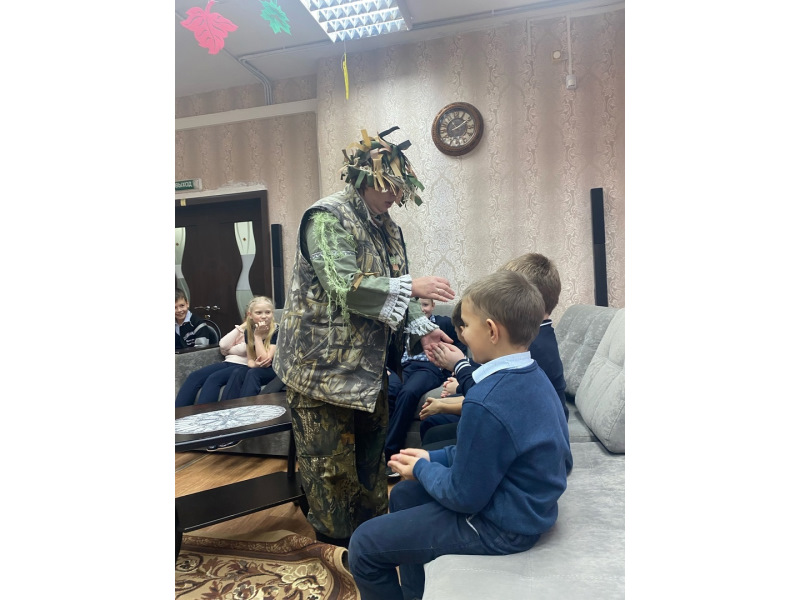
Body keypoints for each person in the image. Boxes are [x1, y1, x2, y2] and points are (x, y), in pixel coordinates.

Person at [272, 126, 456, 549]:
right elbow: (344, 285)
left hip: (369, 373)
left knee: (371, 462)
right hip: (320, 371)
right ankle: (335, 549)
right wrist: (413, 286)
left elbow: (396, 289)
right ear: (362, 177)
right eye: (387, 184)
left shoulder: (388, 228)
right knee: (329, 468)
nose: (395, 194)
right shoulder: (326, 217)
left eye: (399, 187)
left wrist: (423, 331)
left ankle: (371, 540)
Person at [348, 270, 572, 600]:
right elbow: (485, 452)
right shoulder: (533, 375)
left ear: (492, 330)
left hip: (504, 526)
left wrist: (423, 469)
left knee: (363, 545)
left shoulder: (486, 399)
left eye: (465, 325)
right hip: (524, 508)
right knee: (403, 495)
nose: (461, 333)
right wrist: (432, 457)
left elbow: (464, 496)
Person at [421, 252, 569, 447]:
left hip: (523, 431)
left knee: (434, 434)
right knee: (433, 430)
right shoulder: (529, 339)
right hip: (515, 420)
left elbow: (491, 396)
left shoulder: (531, 346)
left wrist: (459, 366)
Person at [384, 298, 464, 480]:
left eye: (426, 305)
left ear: (433, 306)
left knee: (408, 393)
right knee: (389, 390)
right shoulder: (402, 326)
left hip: (428, 369)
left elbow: (460, 345)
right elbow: (388, 350)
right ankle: (376, 451)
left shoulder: (444, 323)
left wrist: (453, 368)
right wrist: (385, 369)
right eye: (417, 305)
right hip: (402, 368)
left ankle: (390, 453)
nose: (422, 309)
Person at [175, 296, 265, 408]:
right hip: (228, 362)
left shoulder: (261, 331)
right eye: (257, 313)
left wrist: (231, 349)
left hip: (243, 365)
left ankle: (204, 415)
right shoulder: (243, 329)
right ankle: (178, 414)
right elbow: (223, 345)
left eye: (265, 313)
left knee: (213, 379)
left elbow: (244, 349)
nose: (262, 316)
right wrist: (242, 326)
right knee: (194, 376)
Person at [220, 296, 282, 400]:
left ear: (272, 313)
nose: (264, 316)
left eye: (268, 312)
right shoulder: (248, 331)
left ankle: (248, 407)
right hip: (260, 368)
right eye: (259, 313)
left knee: (253, 373)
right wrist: (255, 365)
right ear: (250, 315)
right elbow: (250, 360)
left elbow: (265, 362)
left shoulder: (276, 331)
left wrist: (257, 337)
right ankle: (227, 407)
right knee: (238, 372)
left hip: (276, 370)